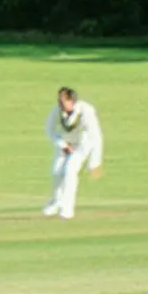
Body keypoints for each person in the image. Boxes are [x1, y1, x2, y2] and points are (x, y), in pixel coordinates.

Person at [42, 86, 103, 219]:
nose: (60, 104)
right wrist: (62, 145)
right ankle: (55, 202)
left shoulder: (86, 111)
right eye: (59, 101)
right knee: (56, 171)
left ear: (72, 101)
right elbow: (49, 129)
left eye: (63, 101)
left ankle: (67, 207)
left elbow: (96, 136)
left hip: (83, 145)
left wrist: (94, 163)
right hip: (65, 143)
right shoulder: (57, 111)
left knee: (70, 171)